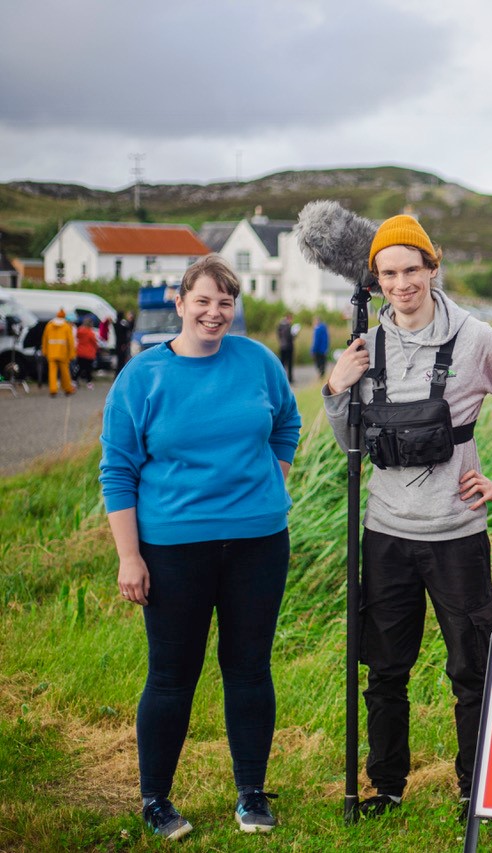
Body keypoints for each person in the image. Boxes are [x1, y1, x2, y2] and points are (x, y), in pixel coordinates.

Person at [100, 255, 300, 839]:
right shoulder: (142, 376)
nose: (215, 313)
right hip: (172, 549)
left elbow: (286, 424)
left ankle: (251, 795)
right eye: (204, 301)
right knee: (171, 675)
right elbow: (118, 470)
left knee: (248, 668)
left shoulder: (258, 361)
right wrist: (130, 556)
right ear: (181, 303)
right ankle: (156, 799)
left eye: (226, 303)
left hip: (259, 543)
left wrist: (269, 481)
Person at [323, 214, 492, 817]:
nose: (401, 283)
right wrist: (336, 387)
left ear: (433, 269)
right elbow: (348, 441)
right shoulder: (363, 347)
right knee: (384, 669)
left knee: (473, 668)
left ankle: (473, 786)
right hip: (386, 533)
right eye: (389, 273)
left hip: (457, 534)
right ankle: (386, 785)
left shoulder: (477, 339)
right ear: (376, 280)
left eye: (412, 269)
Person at [41, 308, 76, 397]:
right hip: (62, 353)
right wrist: (72, 354)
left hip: (51, 353)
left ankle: (53, 390)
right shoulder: (66, 326)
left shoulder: (49, 325)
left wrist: (44, 351)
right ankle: (67, 389)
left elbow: (45, 339)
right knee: (65, 372)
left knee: (52, 372)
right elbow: (70, 342)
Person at [76, 316, 98, 388]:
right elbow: (94, 342)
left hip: (80, 352)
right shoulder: (90, 332)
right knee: (88, 369)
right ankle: (89, 383)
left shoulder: (79, 330)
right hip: (89, 353)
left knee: (79, 367)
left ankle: (74, 380)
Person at [276, 312, 295, 382]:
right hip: (289, 347)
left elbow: (279, 335)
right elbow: (289, 337)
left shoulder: (280, 325)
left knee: (282, 363)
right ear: (289, 318)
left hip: (282, 346)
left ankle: (281, 378)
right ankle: (290, 379)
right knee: (289, 364)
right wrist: (294, 335)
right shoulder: (288, 326)